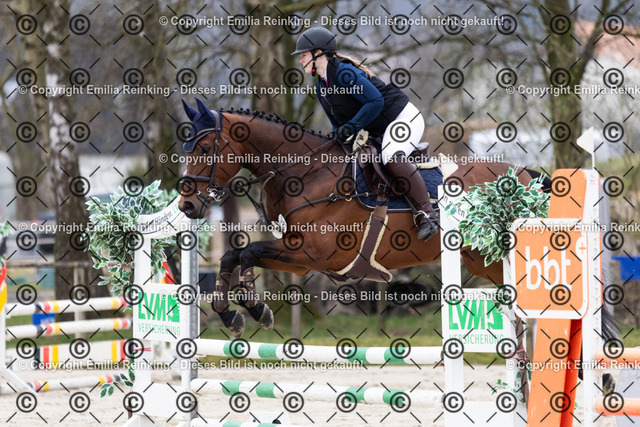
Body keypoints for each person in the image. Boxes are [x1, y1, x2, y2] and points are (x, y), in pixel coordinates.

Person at [292, 27, 438, 241]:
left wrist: (351, 127)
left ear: (318, 53)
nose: (300, 60)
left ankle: (427, 215)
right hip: (381, 128)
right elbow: (337, 126)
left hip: (403, 118)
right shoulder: (321, 87)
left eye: (303, 55)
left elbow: (375, 101)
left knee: (390, 157)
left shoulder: (344, 73)